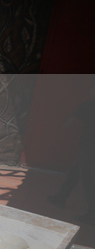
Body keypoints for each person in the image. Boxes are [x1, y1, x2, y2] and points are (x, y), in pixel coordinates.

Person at [47, 87, 95, 224]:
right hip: (88, 148)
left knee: (88, 181)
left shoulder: (88, 105)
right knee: (75, 173)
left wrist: (59, 124)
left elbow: (69, 122)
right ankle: (61, 197)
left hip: (89, 148)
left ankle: (92, 214)